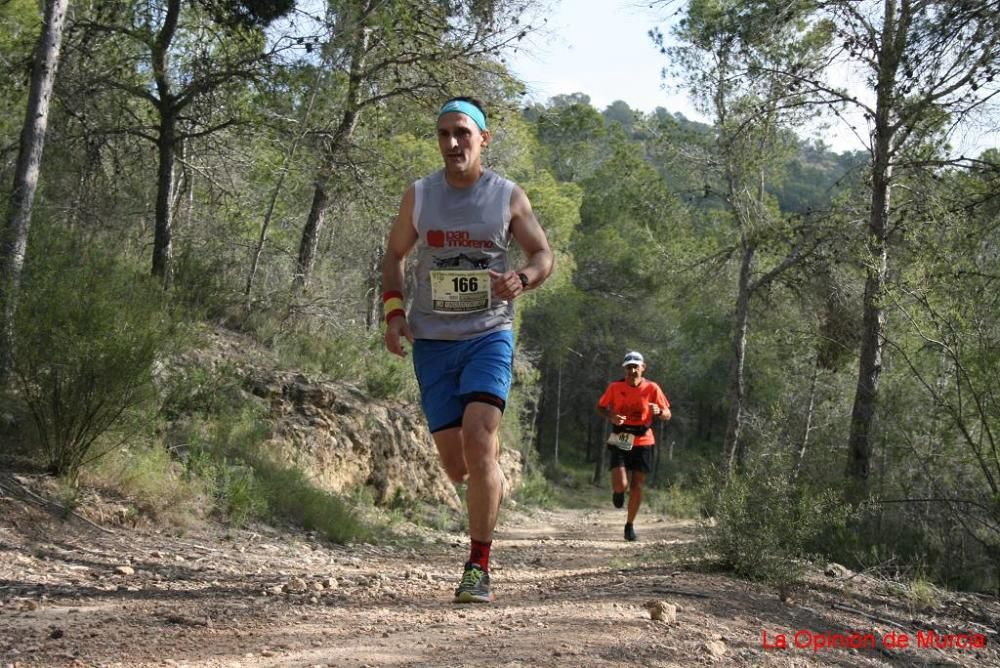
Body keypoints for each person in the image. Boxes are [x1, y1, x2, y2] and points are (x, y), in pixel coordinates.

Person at [382, 97, 553, 603]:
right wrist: (394, 312)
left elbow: (543, 254)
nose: (452, 143)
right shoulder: (420, 196)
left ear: (483, 139)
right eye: (443, 134)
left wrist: (522, 277)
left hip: (488, 333)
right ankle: (488, 475)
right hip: (433, 342)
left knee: (480, 439)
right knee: (457, 467)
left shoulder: (506, 196)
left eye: (462, 133)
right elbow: (394, 255)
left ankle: (478, 565)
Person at [595, 351, 671, 542]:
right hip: (622, 436)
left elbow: (667, 414)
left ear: (643, 368)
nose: (632, 370)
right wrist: (612, 416)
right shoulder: (615, 387)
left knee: (637, 485)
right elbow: (600, 407)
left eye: (636, 366)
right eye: (629, 367)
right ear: (624, 369)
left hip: (644, 438)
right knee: (622, 483)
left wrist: (659, 411)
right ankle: (618, 492)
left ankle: (629, 525)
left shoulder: (652, 388)